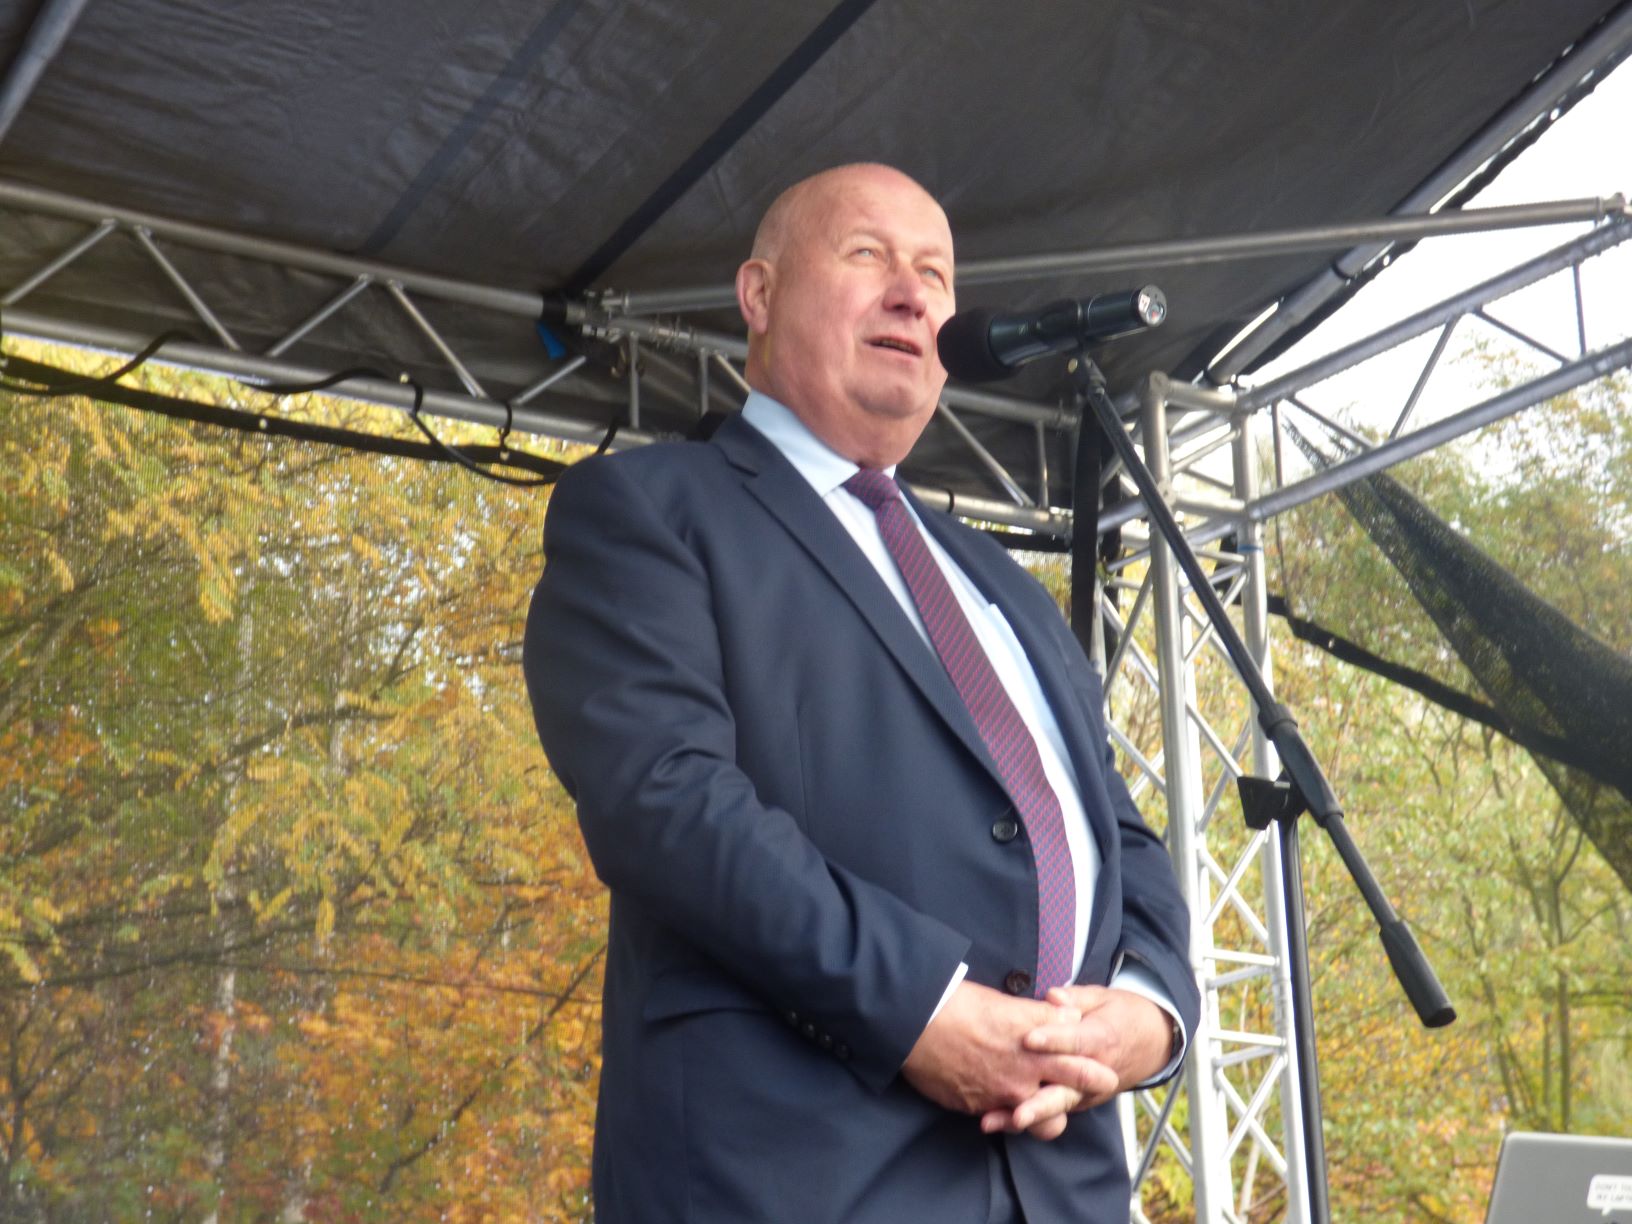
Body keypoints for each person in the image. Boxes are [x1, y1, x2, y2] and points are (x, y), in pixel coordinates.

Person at [524, 163, 1200, 1224]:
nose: (912, 295)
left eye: (935, 273)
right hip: (791, 1178)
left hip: (1059, 1183)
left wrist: (1147, 1015)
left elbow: (1118, 835)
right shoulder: (647, 512)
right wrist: (923, 1011)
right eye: (868, 256)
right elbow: (665, 801)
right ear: (758, 295)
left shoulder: (1001, 585)